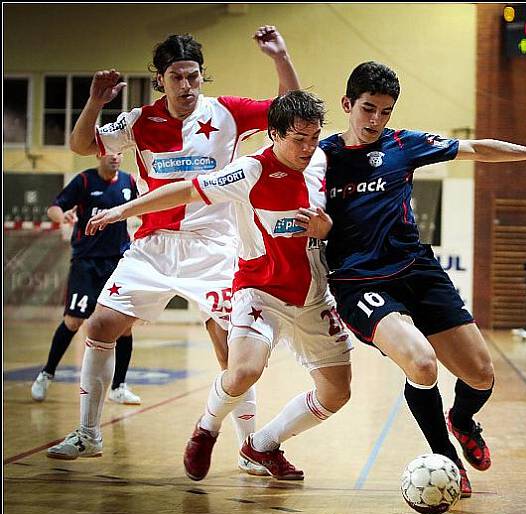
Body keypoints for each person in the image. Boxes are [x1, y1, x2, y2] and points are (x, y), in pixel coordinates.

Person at [319, 61, 526, 496]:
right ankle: (445, 455)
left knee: (481, 375)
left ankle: (460, 420)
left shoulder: (403, 145)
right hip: (360, 282)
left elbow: (476, 148)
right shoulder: (322, 158)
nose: (375, 120)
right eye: (367, 109)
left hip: (418, 271)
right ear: (347, 104)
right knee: (422, 363)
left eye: (385, 111)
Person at [46, 27, 301, 471]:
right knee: (101, 327)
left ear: (203, 77)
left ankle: (251, 448)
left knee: (231, 348)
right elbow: (81, 145)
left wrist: (280, 58)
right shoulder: (140, 121)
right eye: (177, 77)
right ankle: (88, 434)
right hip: (153, 247)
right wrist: (95, 102)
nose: (187, 86)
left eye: (194, 76)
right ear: (160, 79)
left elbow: (291, 112)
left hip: (215, 247)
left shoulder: (229, 113)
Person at [87, 90, 351, 481]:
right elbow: (185, 189)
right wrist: (123, 210)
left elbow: (340, 220)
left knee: (338, 393)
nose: (308, 147)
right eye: (299, 139)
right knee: (243, 370)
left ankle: (262, 445)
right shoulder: (249, 171)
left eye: (313, 138)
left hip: (312, 296)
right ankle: (206, 430)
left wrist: (327, 230)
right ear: (273, 134)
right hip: (259, 290)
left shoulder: (323, 163)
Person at [30, 153, 141, 405]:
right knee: (74, 320)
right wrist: (63, 217)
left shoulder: (129, 182)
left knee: (124, 325)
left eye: (120, 153)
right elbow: (54, 207)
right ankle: (46, 373)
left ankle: (119, 386)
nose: (115, 157)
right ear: (100, 155)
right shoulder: (84, 181)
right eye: (110, 153)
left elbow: (144, 206)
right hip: (87, 262)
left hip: (117, 262)